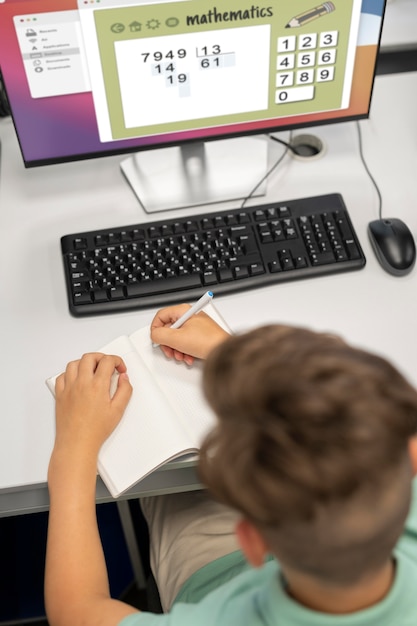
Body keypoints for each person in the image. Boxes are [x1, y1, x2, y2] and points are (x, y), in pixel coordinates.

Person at [45, 303, 417, 626]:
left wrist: (74, 450)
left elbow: (76, 611)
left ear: (252, 542)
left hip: (213, 579)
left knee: (166, 490)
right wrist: (229, 351)